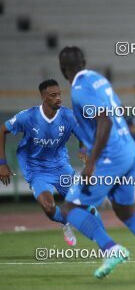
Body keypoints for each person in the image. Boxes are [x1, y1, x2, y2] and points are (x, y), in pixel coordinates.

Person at [58, 46, 135, 279]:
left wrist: (91, 162)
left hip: (110, 156)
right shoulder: (98, 79)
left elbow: (105, 121)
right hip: (128, 150)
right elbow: (117, 111)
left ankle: (111, 249)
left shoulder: (80, 89)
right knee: (125, 211)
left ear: (63, 70)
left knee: (71, 208)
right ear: (83, 61)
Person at [0, 79, 83, 246]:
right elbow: (2, 130)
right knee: (49, 207)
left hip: (60, 166)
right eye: (53, 95)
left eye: (59, 94)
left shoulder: (68, 116)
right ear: (44, 97)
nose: (58, 98)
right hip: (36, 168)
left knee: (83, 206)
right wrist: (2, 163)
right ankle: (64, 223)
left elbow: (84, 136)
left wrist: (83, 151)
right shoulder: (28, 116)